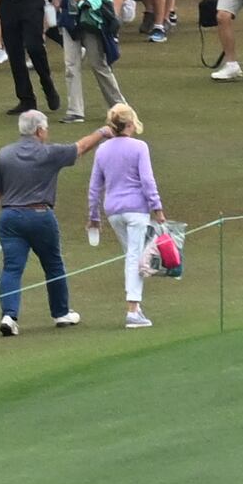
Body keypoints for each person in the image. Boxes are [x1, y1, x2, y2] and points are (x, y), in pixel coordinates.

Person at [0, 108, 80, 336]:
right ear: (40, 130)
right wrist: (102, 133)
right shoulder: (49, 153)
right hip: (41, 216)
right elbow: (79, 148)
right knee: (53, 264)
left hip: (10, 218)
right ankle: (61, 313)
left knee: (12, 268)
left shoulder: (4, 154)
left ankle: (9, 315)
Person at [81, 102, 165, 329]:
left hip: (113, 211)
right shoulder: (139, 147)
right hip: (136, 210)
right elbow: (147, 181)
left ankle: (136, 307)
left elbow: (94, 187)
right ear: (129, 124)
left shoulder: (103, 150)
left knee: (132, 254)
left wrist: (94, 215)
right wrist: (157, 208)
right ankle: (132, 310)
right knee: (135, 257)